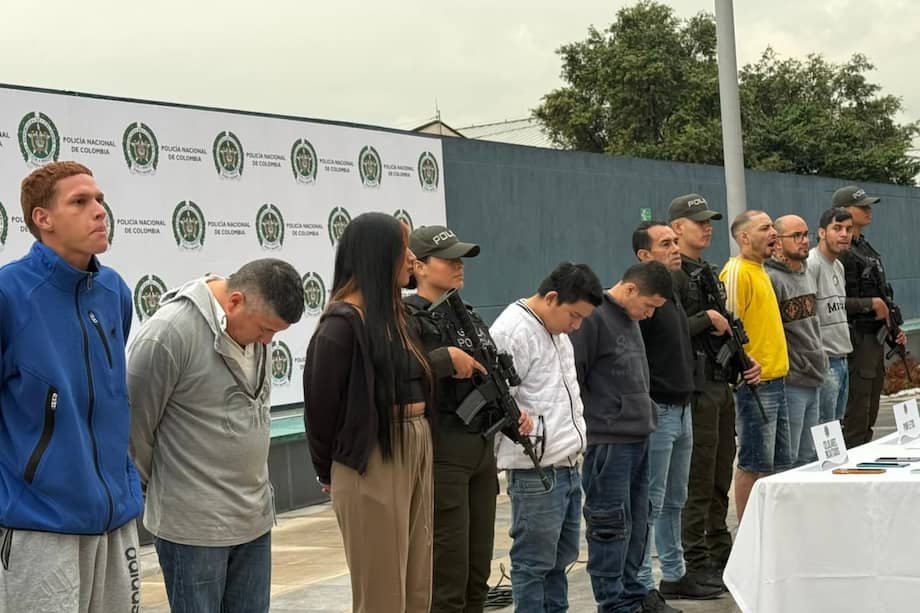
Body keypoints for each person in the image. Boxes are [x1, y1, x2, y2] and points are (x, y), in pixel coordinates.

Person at [0, 161, 144, 612]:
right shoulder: (9, 294)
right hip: (38, 525)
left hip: (115, 519)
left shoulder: (115, 291)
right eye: (80, 202)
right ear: (43, 219)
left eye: (99, 199)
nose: (99, 211)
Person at [127, 258, 305, 613]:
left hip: (253, 521)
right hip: (193, 530)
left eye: (275, 334)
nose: (268, 341)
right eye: (265, 329)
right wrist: (150, 493)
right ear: (235, 301)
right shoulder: (169, 333)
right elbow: (135, 428)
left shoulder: (254, 328)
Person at [303, 212, 434, 613]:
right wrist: (328, 472)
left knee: (417, 586)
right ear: (378, 255)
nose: (412, 258)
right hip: (371, 458)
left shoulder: (396, 317)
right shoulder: (340, 326)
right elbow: (320, 410)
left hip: (414, 443)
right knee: (382, 593)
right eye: (403, 248)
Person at [404, 224, 531, 613]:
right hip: (443, 448)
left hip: (480, 448)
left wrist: (513, 418)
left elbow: (491, 374)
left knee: (478, 569)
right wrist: (445, 360)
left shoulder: (468, 315)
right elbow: (398, 372)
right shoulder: (407, 318)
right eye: (448, 260)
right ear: (419, 266)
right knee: (449, 571)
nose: (459, 265)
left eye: (461, 259)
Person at [490, 262, 603, 612]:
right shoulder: (513, 332)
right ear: (552, 298)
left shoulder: (558, 332)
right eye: (574, 315)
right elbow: (496, 402)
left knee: (560, 559)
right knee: (533, 563)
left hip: (566, 464)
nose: (576, 325)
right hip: (535, 471)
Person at [570, 260, 673, 613]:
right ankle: (613, 603)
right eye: (648, 306)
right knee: (609, 524)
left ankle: (633, 595)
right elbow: (574, 378)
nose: (649, 315)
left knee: (638, 521)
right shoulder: (593, 319)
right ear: (630, 289)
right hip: (609, 442)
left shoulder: (630, 318)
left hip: (638, 436)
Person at [669, 194, 759, 592]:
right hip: (697, 387)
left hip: (721, 383)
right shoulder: (672, 275)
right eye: (699, 222)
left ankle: (720, 551)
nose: (707, 228)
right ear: (677, 227)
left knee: (720, 470)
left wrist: (744, 362)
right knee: (699, 476)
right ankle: (696, 557)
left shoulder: (705, 270)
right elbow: (670, 331)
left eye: (709, 222)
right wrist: (706, 318)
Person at [631, 223, 721, 612]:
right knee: (649, 502)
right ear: (644, 255)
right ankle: (641, 585)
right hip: (659, 411)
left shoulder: (672, 292)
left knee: (675, 499)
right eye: (665, 243)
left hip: (683, 408)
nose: (675, 249)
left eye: (674, 242)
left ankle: (674, 573)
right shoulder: (642, 301)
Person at [720, 211, 790, 521]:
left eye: (773, 226)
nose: (773, 232)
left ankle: (772, 530)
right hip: (755, 385)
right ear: (744, 237)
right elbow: (727, 330)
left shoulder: (761, 270)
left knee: (777, 465)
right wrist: (744, 368)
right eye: (765, 228)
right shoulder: (737, 272)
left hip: (778, 379)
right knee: (753, 462)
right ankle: (748, 532)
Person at [835, 185, 907, 448]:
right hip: (856, 339)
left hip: (874, 338)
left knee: (869, 413)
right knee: (856, 413)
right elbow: (832, 302)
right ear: (843, 211)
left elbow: (881, 291)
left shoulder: (863, 246)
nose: (868, 210)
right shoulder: (840, 252)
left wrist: (893, 327)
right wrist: (870, 304)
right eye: (862, 206)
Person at [764, 215, 827, 468]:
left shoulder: (806, 272)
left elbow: (812, 326)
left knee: (809, 457)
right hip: (791, 381)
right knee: (788, 460)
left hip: (814, 376)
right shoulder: (771, 278)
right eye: (796, 236)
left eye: (805, 234)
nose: (804, 241)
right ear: (778, 242)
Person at [806, 207, 854, 427]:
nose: (844, 234)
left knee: (836, 428)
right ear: (822, 232)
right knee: (824, 429)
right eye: (837, 228)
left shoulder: (839, 266)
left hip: (842, 358)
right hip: (824, 361)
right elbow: (807, 317)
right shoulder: (812, 264)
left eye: (848, 229)